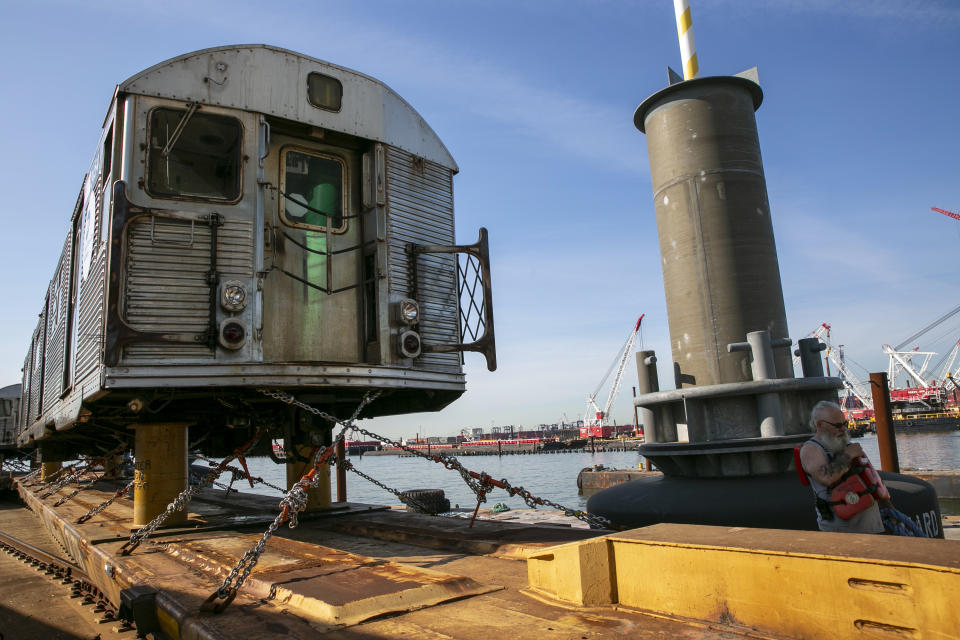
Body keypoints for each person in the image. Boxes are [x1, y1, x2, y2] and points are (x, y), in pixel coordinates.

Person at [799, 400, 885, 534]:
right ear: (820, 425)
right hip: (843, 532)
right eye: (838, 425)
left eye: (845, 424)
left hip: (871, 527)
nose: (843, 429)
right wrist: (848, 455)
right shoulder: (811, 449)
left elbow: (871, 478)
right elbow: (825, 477)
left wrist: (889, 507)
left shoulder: (845, 446)